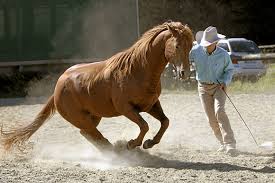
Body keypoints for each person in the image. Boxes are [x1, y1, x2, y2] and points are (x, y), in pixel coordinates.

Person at [189, 26, 237, 155]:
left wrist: (225, 81)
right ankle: (222, 142)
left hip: (219, 86)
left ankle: (230, 143)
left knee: (219, 111)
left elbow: (230, 70)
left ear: (216, 43)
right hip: (203, 87)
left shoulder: (223, 55)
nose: (206, 46)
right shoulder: (195, 51)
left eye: (209, 44)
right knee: (211, 118)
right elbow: (185, 60)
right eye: (205, 44)